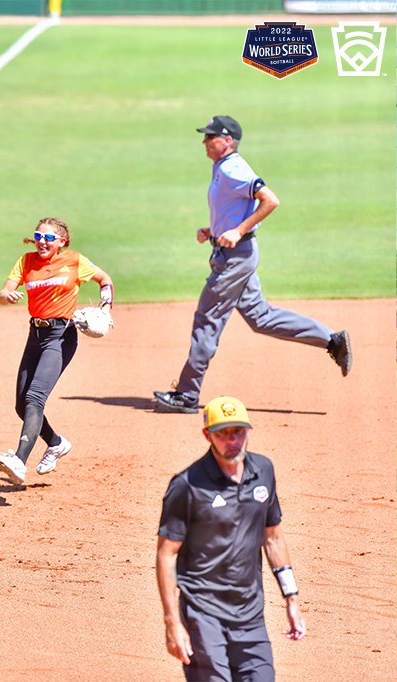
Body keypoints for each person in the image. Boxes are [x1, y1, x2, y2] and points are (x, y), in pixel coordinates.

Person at [153, 115, 352, 414]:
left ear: (227, 140)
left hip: (235, 259)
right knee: (261, 317)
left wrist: (239, 230)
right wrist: (215, 231)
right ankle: (332, 340)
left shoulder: (234, 168)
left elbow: (270, 200)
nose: (204, 142)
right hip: (234, 256)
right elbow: (233, 207)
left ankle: (186, 395)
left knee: (207, 320)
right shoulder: (221, 167)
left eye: (210, 137)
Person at [156, 396, 306, 680]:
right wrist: (172, 621)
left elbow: (273, 538)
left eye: (237, 431)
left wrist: (291, 599)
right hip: (203, 614)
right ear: (207, 435)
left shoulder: (263, 472)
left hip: (250, 615)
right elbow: (167, 553)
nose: (232, 439)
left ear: (248, 431)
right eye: (223, 433)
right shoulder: (187, 485)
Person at [0, 217, 114, 485]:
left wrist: (106, 307)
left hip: (60, 337)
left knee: (35, 397)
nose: (41, 242)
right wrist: (6, 296)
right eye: (38, 236)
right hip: (35, 335)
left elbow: (105, 279)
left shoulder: (74, 261)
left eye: (48, 238)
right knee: (21, 405)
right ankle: (56, 443)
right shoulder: (26, 262)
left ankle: (19, 461)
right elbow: (3, 293)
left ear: (62, 242)